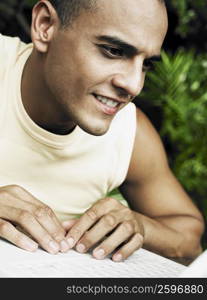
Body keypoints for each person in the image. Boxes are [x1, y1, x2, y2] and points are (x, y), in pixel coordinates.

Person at [0, 0, 204, 263]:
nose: (133, 85)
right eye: (114, 51)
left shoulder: (129, 132)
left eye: (146, 64)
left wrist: (139, 226)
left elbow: (189, 240)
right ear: (45, 26)